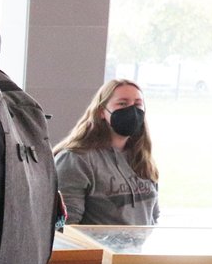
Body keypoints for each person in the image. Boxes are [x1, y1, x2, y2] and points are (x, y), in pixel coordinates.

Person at [53, 79, 160, 225]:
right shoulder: (76, 159)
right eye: (122, 103)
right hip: (97, 248)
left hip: (136, 248)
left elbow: (153, 217)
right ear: (101, 112)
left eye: (137, 104)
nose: (132, 111)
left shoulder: (141, 158)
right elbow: (66, 226)